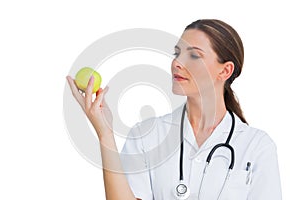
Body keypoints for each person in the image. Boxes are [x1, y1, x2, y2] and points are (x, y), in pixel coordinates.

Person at [66, 19, 282, 200]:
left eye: (194, 55)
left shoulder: (257, 147)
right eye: (177, 53)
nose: (177, 62)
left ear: (225, 71)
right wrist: (106, 134)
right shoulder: (147, 134)